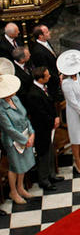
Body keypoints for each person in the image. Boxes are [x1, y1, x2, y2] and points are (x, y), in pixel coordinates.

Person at [0, 73, 34, 205]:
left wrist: (31, 133)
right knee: (15, 166)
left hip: (25, 134)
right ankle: (13, 191)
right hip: (12, 141)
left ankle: (20, 187)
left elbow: (25, 117)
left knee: (23, 164)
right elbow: (9, 128)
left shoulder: (16, 99)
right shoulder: (1, 109)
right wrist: (24, 140)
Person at [27, 66, 63, 190]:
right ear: (40, 79)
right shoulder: (33, 94)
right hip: (42, 128)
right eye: (47, 75)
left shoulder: (43, 88)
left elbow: (51, 103)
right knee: (43, 153)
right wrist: (52, 120)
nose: (50, 76)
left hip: (49, 124)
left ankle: (51, 174)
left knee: (50, 151)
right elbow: (40, 113)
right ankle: (44, 179)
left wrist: (56, 117)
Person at [58, 49, 80, 174]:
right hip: (74, 113)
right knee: (76, 138)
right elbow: (73, 101)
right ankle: (77, 162)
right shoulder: (66, 83)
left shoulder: (77, 77)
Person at [29, 25, 61, 101]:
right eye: (46, 32)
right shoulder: (38, 51)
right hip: (51, 80)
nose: (49, 33)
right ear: (40, 36)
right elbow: (46, 68)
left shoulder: (45, 41)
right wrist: (58, 78)